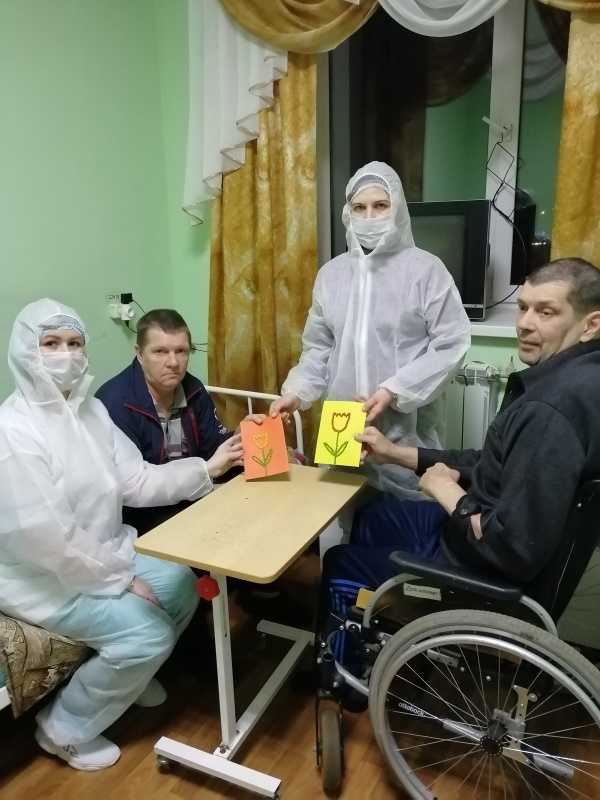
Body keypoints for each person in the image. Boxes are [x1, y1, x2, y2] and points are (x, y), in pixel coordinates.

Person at [0, 299, 244, 771]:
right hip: (43, 580)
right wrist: (121, 579)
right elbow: (50, 540)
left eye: (74, 343)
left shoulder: (90, 412)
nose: (66, 355)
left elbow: (136, 480)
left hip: (104, 552)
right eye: (51, 344)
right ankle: (63, 729)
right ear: (25, 351)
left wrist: (207, 470)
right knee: (148, 634)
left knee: (181, 581)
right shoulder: (13, 432)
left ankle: (128, 677)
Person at [320, 258, 600, 640]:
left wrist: (445, 489)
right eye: (522, 307)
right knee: (374, 516)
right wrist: (393, 453)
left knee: (339, 562)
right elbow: (492, 463)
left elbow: (512, 549)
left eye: (546, 312)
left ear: (591, 325)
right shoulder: (572, 378)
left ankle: (347, 666)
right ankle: (379, 618)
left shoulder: (550, 410)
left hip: (480, 573)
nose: (524, 323)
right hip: (469, 536)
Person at [270, 161, 471, 497]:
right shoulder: (332, 275)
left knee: (406, 512)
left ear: (398, 209)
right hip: (341, 428)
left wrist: (394, 389)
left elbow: (452, 343)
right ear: (347, 213)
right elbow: (318, 348)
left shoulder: (425, 271)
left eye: (380, 205)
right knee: (341, 508)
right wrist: (296, 393)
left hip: (403, 429)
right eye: (359, 207)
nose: (369, 216)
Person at [96, 309, 244, 534]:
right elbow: (133, 490)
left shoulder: (194, 390)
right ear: (139, 354)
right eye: (160, 351)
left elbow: (214, 450)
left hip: (193, 498)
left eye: (181, 351)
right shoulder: (114, 403)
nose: (173, 362)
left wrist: (240, 437)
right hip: (141, 517)